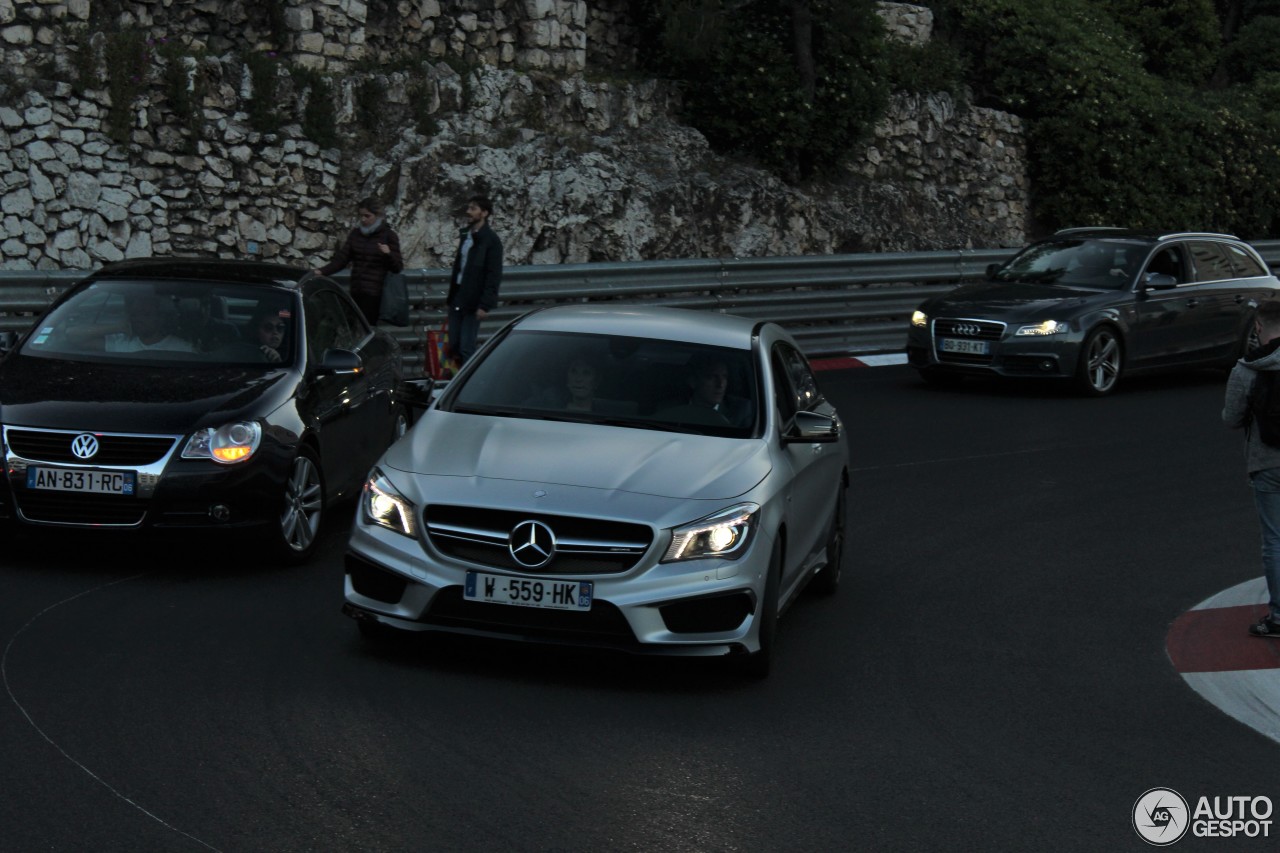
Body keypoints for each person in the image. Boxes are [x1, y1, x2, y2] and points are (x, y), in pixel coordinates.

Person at [1223, 300, 1280, 638]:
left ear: (1258, 328)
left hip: (1267, 462)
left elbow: (1230, 419)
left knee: (1275, 540)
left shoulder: (1245, 370)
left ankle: (1278, 617)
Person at [317, 196, 404, 325]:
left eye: (367, 216)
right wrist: (322, 271)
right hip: (356, 290)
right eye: (361, 216)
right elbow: (342, 259)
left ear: (377, 216)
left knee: (367, 327)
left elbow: (397, 267)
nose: (363, 219)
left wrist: (388, 254)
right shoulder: (356, 234)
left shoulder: (388, 236)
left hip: (375, 295)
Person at [447, 194, 503, 368]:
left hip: (474, 300)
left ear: (484, 213)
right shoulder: (467, 236)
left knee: (466, 346)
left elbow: (493, 274)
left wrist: (485, 304)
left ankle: (468, 382)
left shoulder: (491, 241)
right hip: (458, 296)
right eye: (469, 208)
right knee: (453, 343)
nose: (469, 212)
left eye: (473, 208)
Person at [659, 352, 753, 427]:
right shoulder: (670, 410)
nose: (720, 384)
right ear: (693, 381)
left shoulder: (742, 411)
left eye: (724, 377)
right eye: (712, 377)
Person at [105, 293, 194, 353]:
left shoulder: (182, 349)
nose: (138, 319)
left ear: (160, 318)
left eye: (146, 314)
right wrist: (117, 327)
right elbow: (90, 339)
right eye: (135, 314)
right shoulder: (122, 342)